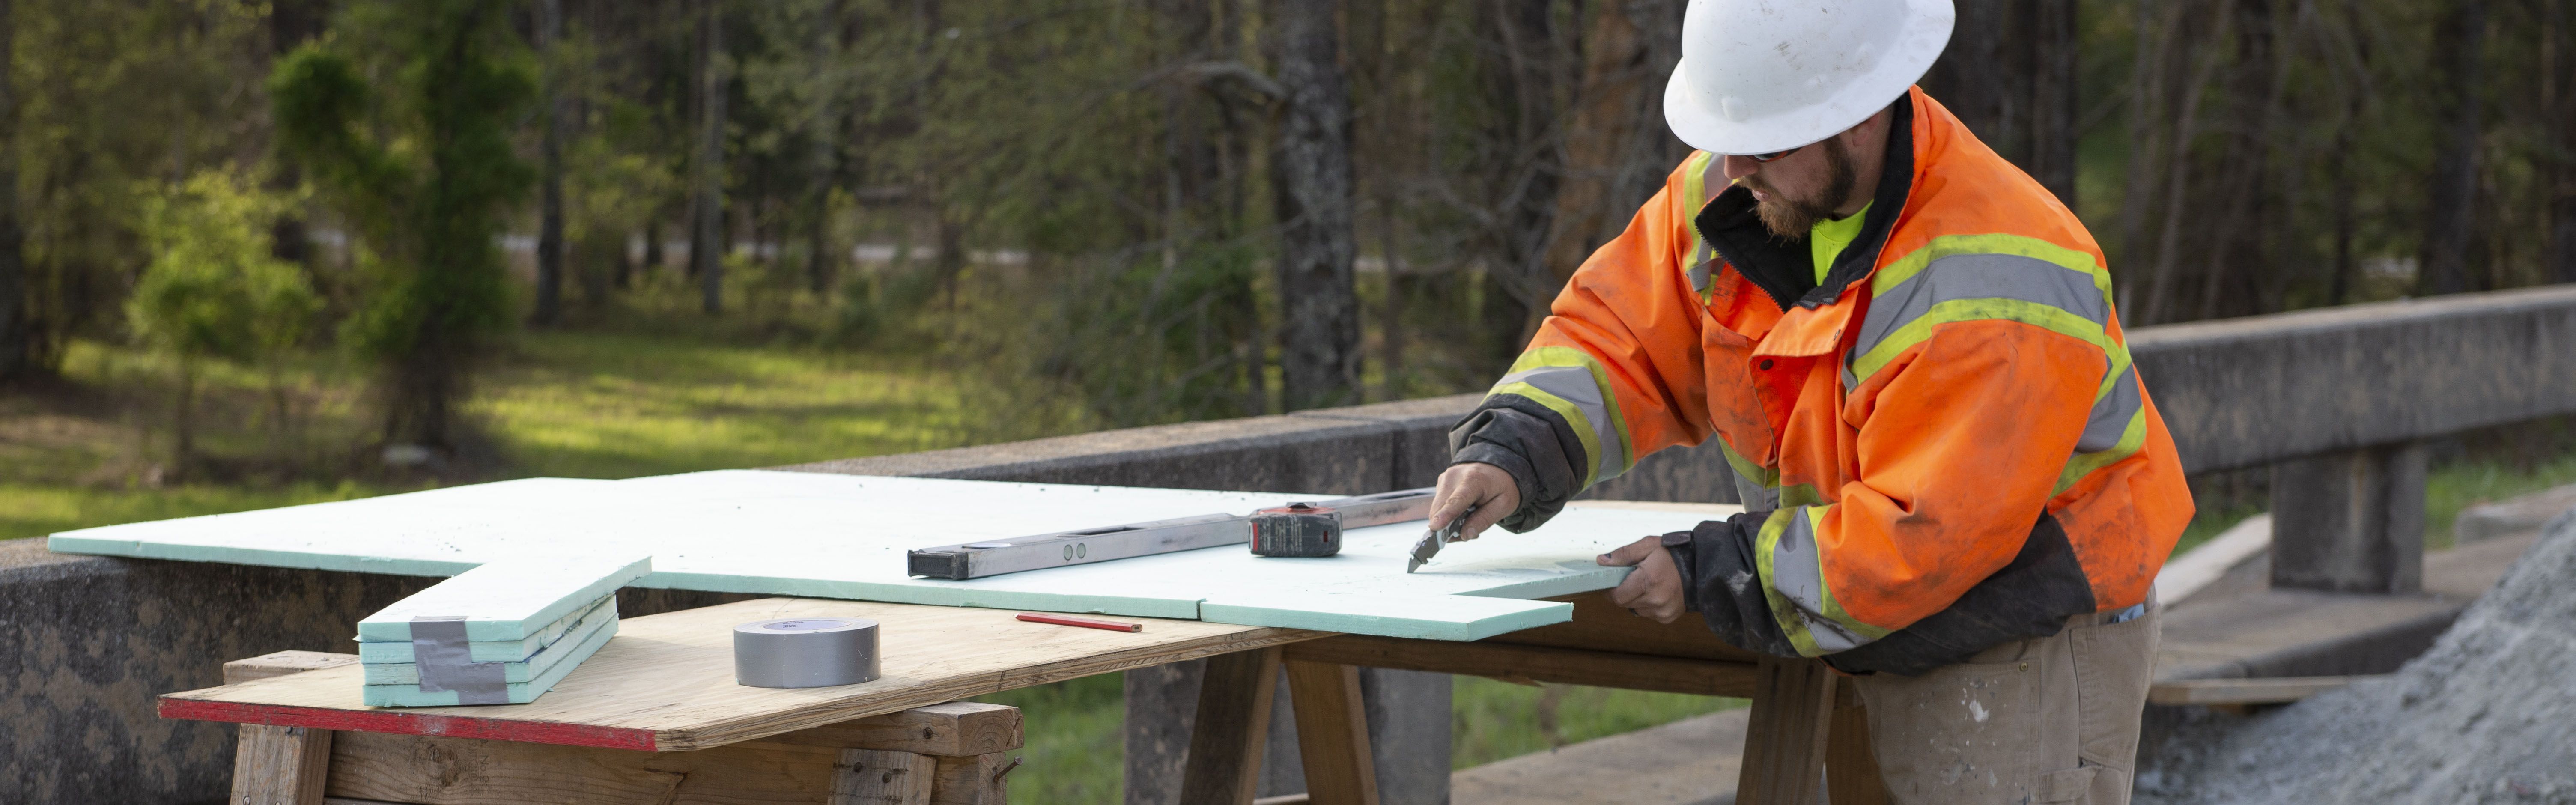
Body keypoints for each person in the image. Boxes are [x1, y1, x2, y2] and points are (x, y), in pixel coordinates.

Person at [1421, 0, 2194, 802]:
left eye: (1764, 142)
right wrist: (1516, 448)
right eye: (1726, 140)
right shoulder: (1741, 183)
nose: (1737, 167)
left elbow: (1920, 537)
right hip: (1851, 617)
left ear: (1858, 116)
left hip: (2016, 641)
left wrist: (1712, 571)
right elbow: (1624, 333)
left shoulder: (1995, 279)